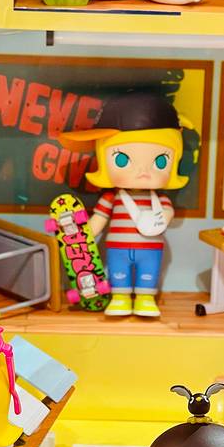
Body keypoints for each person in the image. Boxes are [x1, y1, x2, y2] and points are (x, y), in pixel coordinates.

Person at [60, 93, 191, 319]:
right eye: (122, 160)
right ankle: (120, 297)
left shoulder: (158, 199)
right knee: (118, 273)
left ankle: (145, 299)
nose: (143, 172)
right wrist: (84, 235)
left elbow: (167, 211)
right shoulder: (112, 197)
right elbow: (99, 219)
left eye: (160, 161)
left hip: (151, 247)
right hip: (118, 248)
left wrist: (165, 215)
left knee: (149, 273)